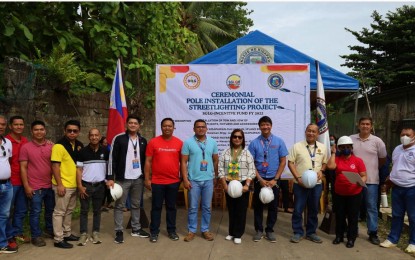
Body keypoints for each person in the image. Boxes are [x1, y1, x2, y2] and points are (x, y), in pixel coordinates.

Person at [107, 115, 149, 244]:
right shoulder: (119, 139)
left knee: (136, 205)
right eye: (130, 123)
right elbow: (112, 158)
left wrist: (146, 177)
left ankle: (136, 229)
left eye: (135, 123)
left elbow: (146, 160)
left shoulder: (142, 140)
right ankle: (119, 231)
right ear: (126, 124)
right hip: (122, 179)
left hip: (138, 178)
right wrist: (110, 177)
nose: (132, 125)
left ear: (139, 125)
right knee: (119, 206)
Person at [248, 116, 288, 243]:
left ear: (271, 125)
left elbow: (283, 161)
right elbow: (251, 163)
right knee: (258, 206)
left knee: (273, 206)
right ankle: (259, 230)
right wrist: (259, 179)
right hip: (259, 179)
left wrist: (275, 179)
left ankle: (269, 230)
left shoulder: (279, 141)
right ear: (259, 127)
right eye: (263, 125)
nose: (265, 127)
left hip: (274, 179)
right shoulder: (254, 143)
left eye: (267, 124)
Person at [144, 118, 183, 243]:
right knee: (156, 207)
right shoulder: (153, 142)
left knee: (171, 207)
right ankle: (154, 232)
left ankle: (171, 231)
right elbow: (148, 162)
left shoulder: (179, 143)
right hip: (157, 182)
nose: (167, 128)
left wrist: (183, 178)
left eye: (170, 126)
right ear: (161, 127)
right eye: (165, 126)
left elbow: (182, 163)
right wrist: (147, 179)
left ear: (173, 127)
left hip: (173, 182)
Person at [288, 123, 328, 244]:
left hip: (316, 184)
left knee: (313, 209)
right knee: (298, 209)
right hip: (300, 183)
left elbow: (325, 163)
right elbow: (290, 163)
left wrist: (321, 170)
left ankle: (311, 232)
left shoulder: (323, 147)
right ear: (305, 132)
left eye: (313, 131)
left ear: (318, 134)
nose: (311, 133)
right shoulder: (297, 146)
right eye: (309, 131)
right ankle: (298, 232)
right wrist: (298, 177)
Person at [350, 117, 387, 245]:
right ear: (358, 125)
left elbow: (382, 160)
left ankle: (372, 232)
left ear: (371, 126)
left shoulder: (378, 141)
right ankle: (352, 230)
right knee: (353, 206)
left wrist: (372, 169)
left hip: (371, 180)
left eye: (367, 124)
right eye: (362, 124)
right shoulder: (351, 139)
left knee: (371, 207)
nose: (365, 126)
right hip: (354, 180)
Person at [181, 119, 218, 242]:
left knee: (207, 207)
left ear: (206, 128)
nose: (200, 128)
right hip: (193, 181)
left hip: (208, 180)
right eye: (198, 127)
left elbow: (215, 160)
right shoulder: (188, 143)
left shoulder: (212, 142)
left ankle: (205, 230)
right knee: (193, 207)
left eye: (203, 127)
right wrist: (185, 179)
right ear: (194, 129)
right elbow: (183, 162)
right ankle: (191, 231)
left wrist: (215, 176)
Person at [380, 123, 415, 253]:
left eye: (408, 135)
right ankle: (393, 239)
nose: (404, 137)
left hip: (412, 188)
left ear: (414, 136)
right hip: (396, 187)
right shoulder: (397, 149)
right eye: (402, 135)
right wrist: (388, 182)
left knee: (413, 216)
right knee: (396, 215)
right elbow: (395, 167)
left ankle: (413, 242)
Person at [326, 136, 367, 248]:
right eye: (342, 147)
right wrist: (333, 153)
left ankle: (351, 238)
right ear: (339, 148)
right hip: (339, 193)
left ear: (352, 147)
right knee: (340, 215)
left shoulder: (358, 161)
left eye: (348, 147)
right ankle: (339, 236)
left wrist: (361, 181)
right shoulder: (337, 159)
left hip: (354, 194)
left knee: (352, 217)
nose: (345, 149)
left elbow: (364, 175)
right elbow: (330, 166)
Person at [19, 120, 54, 247]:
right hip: (35, 186)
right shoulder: (26, 147)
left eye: (41, 129)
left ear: (45, 131)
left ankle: (49, 230)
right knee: (35, 212)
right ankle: (36, 235)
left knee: (50, 210)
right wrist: (26, 186)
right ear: (32, 132)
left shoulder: (51, 146)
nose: (39, 132)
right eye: (36, 129)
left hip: (50, 185)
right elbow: (23, 167)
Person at [218, 129, 255, 244]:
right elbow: (220, 169)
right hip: (229, 184)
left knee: (241, 210)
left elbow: (252, 170)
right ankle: (231, 232)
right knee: (232, 210)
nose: (237, 139)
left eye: (240, 137)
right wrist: (224, 185)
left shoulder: (247, 153)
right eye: (235, 137)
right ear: (231, 138)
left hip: (242, 185)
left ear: (243, 139)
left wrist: (247, 185)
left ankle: (238, 234)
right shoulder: (225, 152)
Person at [51, 120, 84, 249]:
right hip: (63, 184)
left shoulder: (79, 145)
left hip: (74, 184)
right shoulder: (59, 146)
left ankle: (67, 233)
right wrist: (59, 184)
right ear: (65, 131)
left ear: (78, 132)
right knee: (59, 212)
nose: (72, 133)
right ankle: (58, 239)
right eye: (69, 130)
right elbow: (55, 166)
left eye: (75, 131)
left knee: (69, 211)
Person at [76, 128, 109, 246]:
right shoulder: (82, 152)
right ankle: (83, 234)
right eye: (92, 135)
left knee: (97, 211)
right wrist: (79, 185)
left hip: (100, 186)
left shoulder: (105, 151)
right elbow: (79, 170)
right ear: (88, 137)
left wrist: (109, 180)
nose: (94, 137)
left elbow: (108, 169)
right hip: (86, 186)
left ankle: (95, 232)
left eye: (96, 135)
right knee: (84, 211)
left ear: (100, 136)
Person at [5, 116, 29, 249]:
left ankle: (17, 232)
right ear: (10, 126)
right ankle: (8, 236)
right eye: (16, 125)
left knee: (21, 209)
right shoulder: (6, 141)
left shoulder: (25, 141)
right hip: (11, 181)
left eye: (21, 124)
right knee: (7, 211)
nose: (19, 127)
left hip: (24, 181)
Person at [0, 115, 16, 254]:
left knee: (4, 214)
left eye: (3, 124)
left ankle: (2, 242)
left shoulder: (7, 143)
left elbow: (8, 161)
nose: (1, 126)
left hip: (7, 184)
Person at [100, 136, 112, 212]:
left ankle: (108, 203)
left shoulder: (108, 149)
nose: (105, 144)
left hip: (108, 172)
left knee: (109, 189)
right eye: (104, 143)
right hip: (102, 173)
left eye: (106, 143)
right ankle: (102, 205)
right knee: (103, 190)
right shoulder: (100, 150)